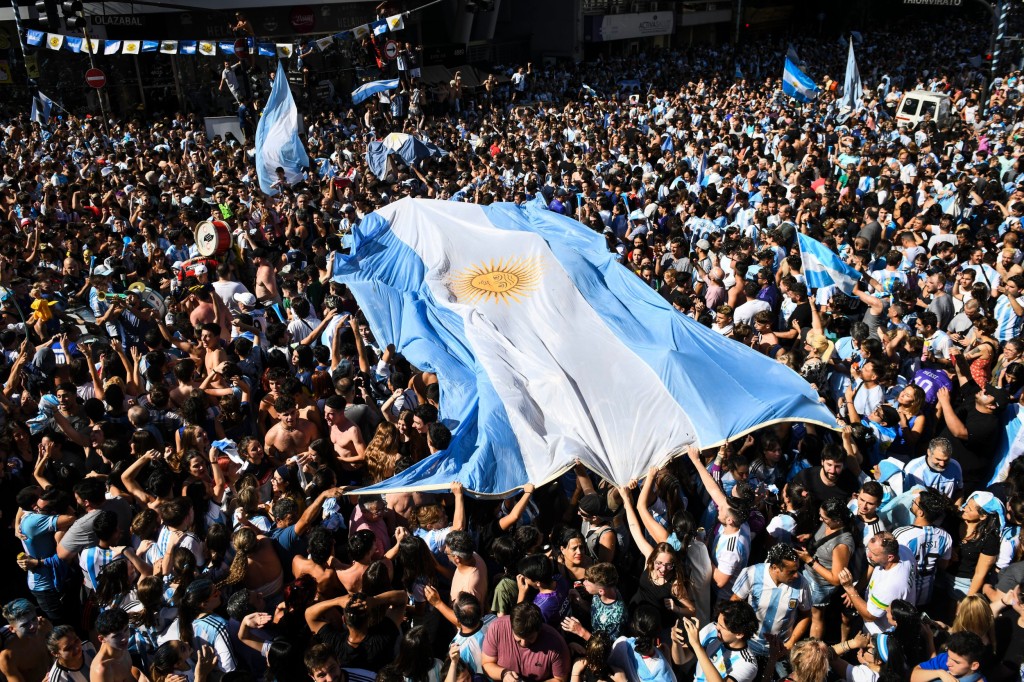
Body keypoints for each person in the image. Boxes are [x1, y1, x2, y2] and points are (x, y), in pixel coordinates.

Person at [731, 543, 811, 654]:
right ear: (775, 568)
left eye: (797, 569)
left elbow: (806, 614)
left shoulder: (802, 583)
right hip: (749, 643)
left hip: (782, 647)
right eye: (791, 572)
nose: (796, 575)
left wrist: (791, 642)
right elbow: (735, 602)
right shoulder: (752, 573)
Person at [838, 532, 916, 634]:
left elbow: (870, 616)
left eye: (874, 554)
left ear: (890, 557)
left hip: (879, 632)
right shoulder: (903, 550)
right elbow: (873, 565)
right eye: (869, 549)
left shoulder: (890, 585)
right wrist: (857, 589)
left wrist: (850, 589)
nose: (868, 555)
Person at [480, 602, 571, 682]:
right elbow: (487, 664)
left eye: (530, 638)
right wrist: (504, 674)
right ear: (511, 627)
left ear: (539, 630)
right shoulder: (497, 628)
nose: (523, 643)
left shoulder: (555, 643)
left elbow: (560, 679)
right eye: (519, 639)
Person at [675, 601, 760, 682]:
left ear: (739, 634)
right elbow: (680, 660)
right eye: (718, 622)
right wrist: (676, 642)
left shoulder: (747, 664)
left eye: (722, 627)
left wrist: (697, 646)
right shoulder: (711, 629)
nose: (717, 627)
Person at [910, 632, 988, 682]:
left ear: (974, 665)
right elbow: (913, 677)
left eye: (956, 662)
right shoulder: (947, 658)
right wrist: (940, 673)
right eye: (949, 656)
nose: (948, 663)